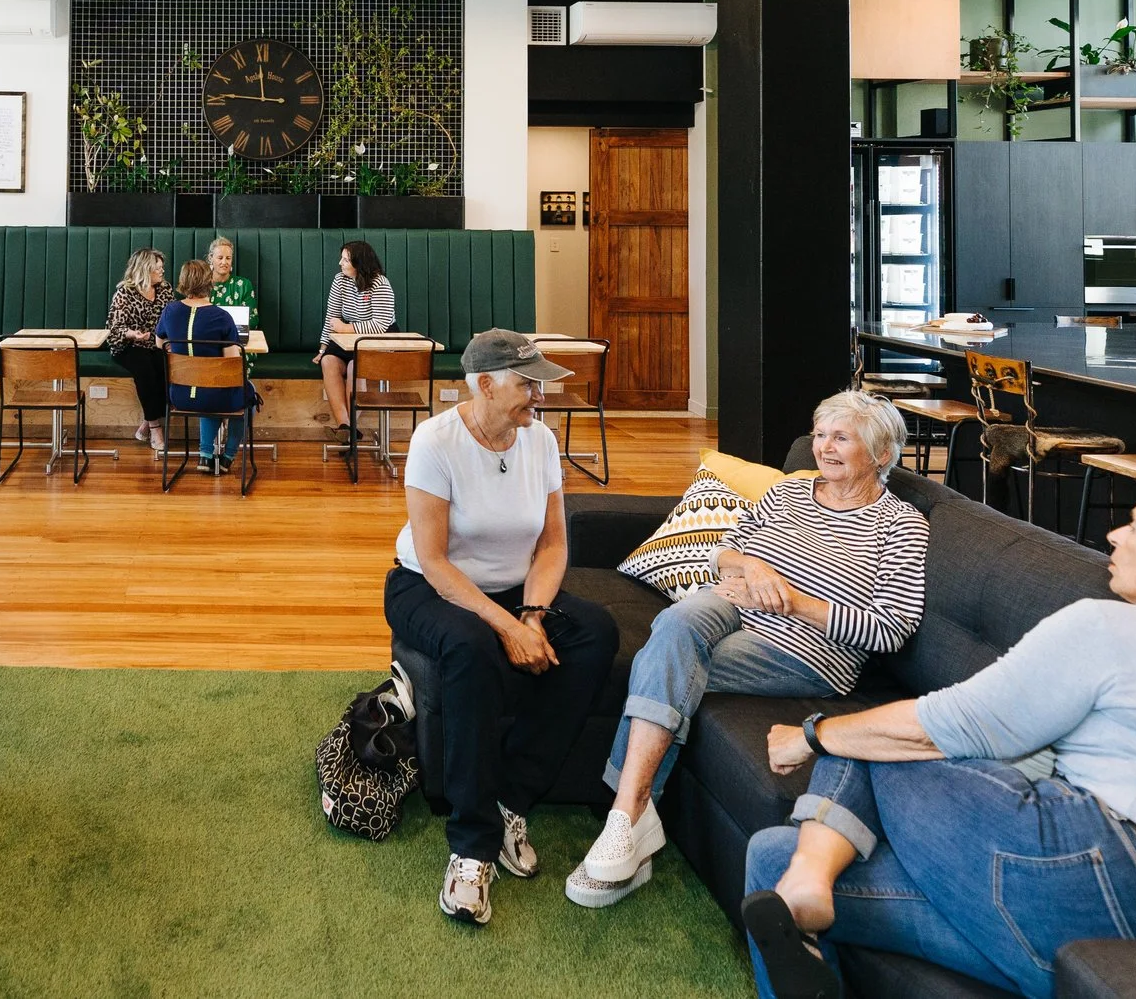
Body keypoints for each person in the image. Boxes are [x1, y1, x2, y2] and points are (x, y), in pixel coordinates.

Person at [740, 469, 1136, 999]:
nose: (1114, 536)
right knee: (773, 858)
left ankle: (810, 874)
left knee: (893, 732)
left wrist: (813, 735)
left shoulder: (1111, 628)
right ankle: (806, 882)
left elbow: (938, 731)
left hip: (1101, 867)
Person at [567, 390, 927, 908]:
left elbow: (891, 629)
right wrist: (750, 566)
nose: (823, 448)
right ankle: (633, 817)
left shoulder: (901, 524)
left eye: (841, 438)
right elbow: (725, 553)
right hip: (730, 607)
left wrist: (797, 602)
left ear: (882, 454)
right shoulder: (790, 494)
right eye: (820, 434)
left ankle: (627, 814)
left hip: (806, 649)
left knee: (662, 659)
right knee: (674, 625)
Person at [387, 329, 617, 928]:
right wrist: (506, 628)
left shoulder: (539, 439)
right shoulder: (434, 441)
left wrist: (533, 615)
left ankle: (512, 797)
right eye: (526, 384)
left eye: (538, 384)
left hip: (517, 587)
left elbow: (554, 540)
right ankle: (471, 847)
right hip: (429, 585)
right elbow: (434, 560)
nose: (537, 396)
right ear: (485, 384)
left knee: (594, 632)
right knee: (470, 648)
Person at [156, 260, 255, 474]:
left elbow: (159, 343)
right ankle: (228, 456)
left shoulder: (170, 310)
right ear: (209, 281)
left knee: (205, 383)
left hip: (179, 395)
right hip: (214, 396)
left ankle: (205, 455)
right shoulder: (222, 317)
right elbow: (232, 363)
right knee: (247, 391)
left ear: (183, 282)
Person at [317, 239, 396, 435]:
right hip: (349, 339)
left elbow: (380, 324)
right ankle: (345, 426)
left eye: (345, 260)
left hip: (378, 338)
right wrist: (323, 347)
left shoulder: (380, 283)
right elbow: (331, 315)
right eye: (341, 259)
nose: (340, 263)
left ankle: (350, 431)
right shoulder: (340, 280)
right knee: (328, 361)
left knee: (355, 366)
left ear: (359, 263)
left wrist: (345, 328)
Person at [103, 248, 175, 449]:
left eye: (162, 268)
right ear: (144, 270)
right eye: (157, 268)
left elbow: (172, 317)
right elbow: (114, 328)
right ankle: (155, 428)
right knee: (144, 368)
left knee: (165, 367)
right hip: (128, 345)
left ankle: (146, 422)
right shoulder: (124, 292)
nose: (162, 272)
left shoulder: (165, 289)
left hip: (156, 343)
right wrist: (132, 334)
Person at [206, 236, 256, 318]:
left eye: (228, 258)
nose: (224, 262)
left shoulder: (244, 285)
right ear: (210, 258)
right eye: (220, 258)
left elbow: (252, 318)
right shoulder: (201, 284)